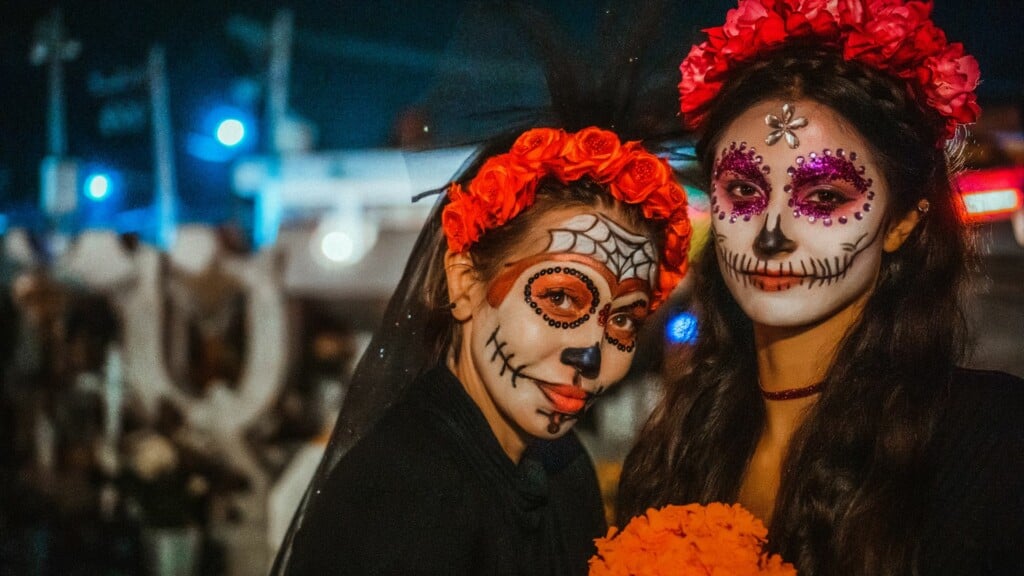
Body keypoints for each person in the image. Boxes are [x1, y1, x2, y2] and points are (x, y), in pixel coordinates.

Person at [616, 1, 1024, 575]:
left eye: (824, 197)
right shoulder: (672, 450)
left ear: (904, 219)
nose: (771, 235)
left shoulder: (992, 446)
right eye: (743, 192)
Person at [274, 126, 690, 575]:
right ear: (466, 283)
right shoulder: (404, 495)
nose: (591, 357)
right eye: (560, 298)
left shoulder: (563, 466)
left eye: (624, 318)